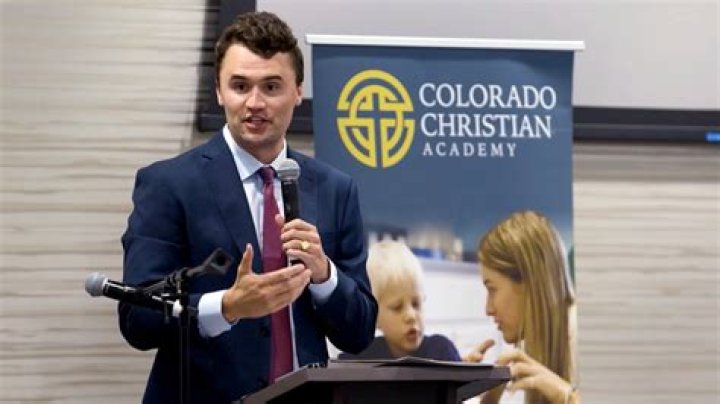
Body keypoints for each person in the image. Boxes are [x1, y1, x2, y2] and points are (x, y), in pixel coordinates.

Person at [118, 11, 377, 403]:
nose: (255, 103)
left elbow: (359, 333)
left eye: (271, 87)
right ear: (219, 91)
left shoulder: (335, 189)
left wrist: (325, 276)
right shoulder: (169, 184)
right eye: (240, 86)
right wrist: (226, 306)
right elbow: (137, 319)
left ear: (298, 91)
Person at [468, 210, 579, 404]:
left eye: (492, 289)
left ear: (530, 284)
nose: (488, 309)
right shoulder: (530, 344)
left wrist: (569, 399)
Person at [339, 240, 461, 361]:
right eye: (397, 307)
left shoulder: (442, 351)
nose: (411, 316)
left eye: (416, 304)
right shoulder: (361, 356)